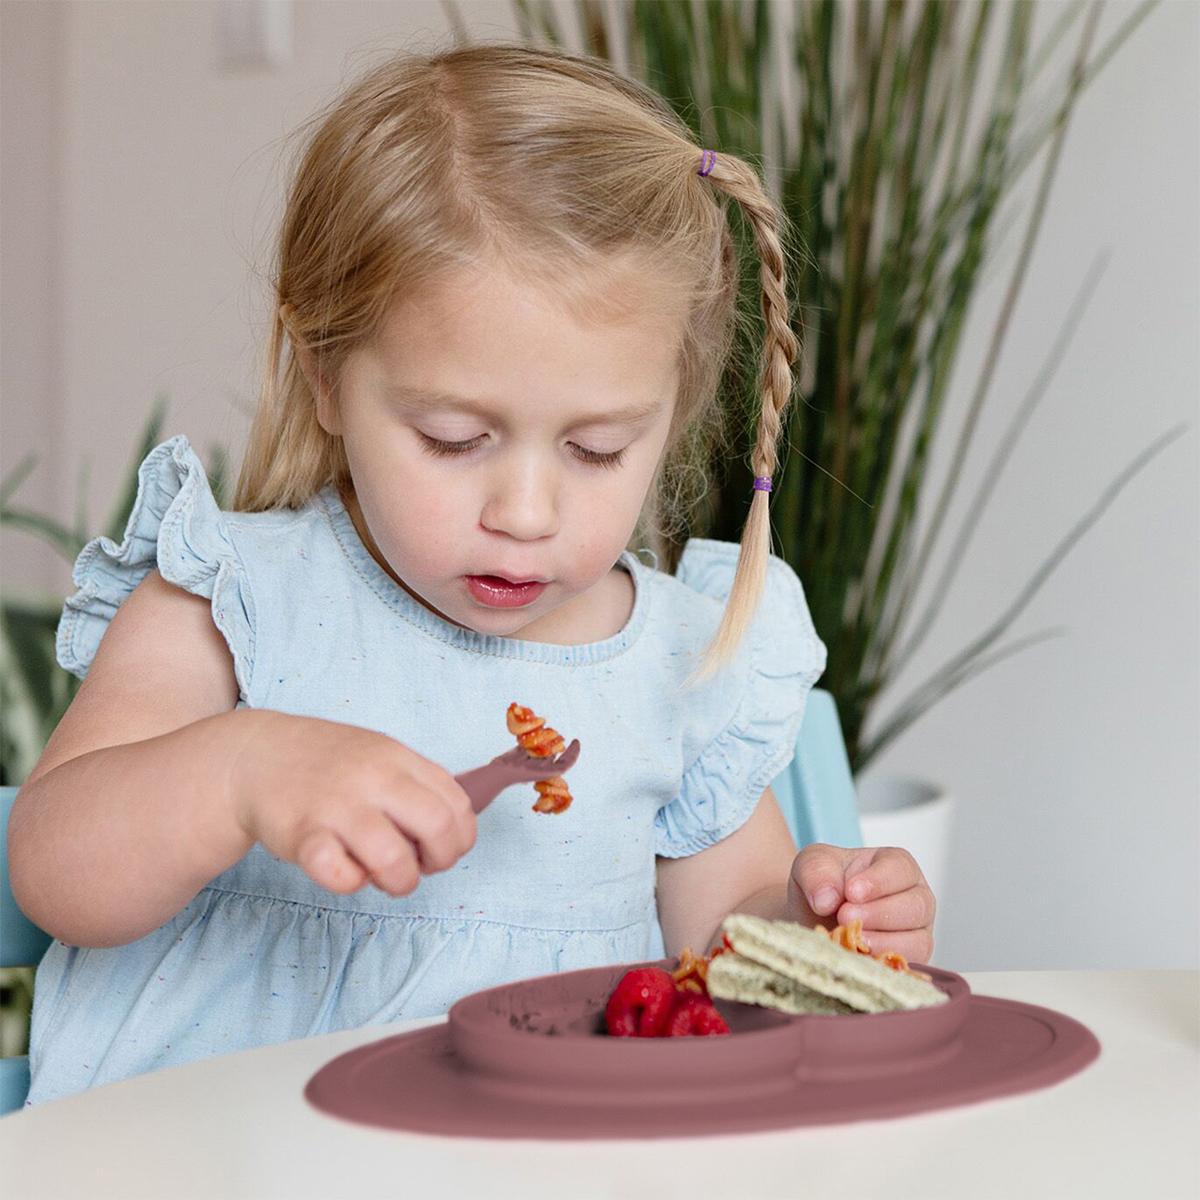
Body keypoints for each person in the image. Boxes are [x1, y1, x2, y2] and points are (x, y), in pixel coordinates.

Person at [10, 43, 935, 1106]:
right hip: (225, 1156)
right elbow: (53, 869)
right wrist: (234, 772)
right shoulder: (233, 604)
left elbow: (725, 945)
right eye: (453, 438)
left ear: (669, 420)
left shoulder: (680, 660)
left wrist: (810, 930)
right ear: (324, 377)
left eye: (596, 451)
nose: (526, 514)